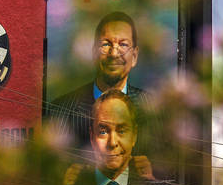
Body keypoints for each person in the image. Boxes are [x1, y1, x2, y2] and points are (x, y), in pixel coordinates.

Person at [46, 12, 152, 160]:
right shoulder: (60, 111)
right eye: (106, 44)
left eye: (123, 44)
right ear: (93, 53)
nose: (114, 54)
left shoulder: (151, 108)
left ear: (134, 56)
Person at [61, 90, 159, 185]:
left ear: (134, 135)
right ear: (92, 137)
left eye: (121, 131)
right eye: (103, 132)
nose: (112, 143)